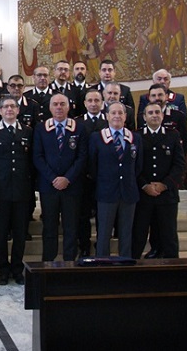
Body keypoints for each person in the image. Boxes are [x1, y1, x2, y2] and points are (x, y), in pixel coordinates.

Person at [0, 96, 34, 285]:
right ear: (0, 111)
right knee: (1, 232)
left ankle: (17, 268)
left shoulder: (28, 131)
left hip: (22, 190)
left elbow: (31, 162)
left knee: (20, 233)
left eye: (13, 106)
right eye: (5, 107)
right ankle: (3, 269)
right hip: (0, 190)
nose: (9, 109)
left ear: (18, 110)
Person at [33, 93, 88, 261]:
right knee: (49, 227)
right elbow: (37, 157)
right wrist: (53, 178)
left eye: (62, 104)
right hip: (49, 186)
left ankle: (69, 263)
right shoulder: (41, 128)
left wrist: (67, 178)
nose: (58, 107)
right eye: (55, 104)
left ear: (68, 106)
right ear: (50, 107)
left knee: (71, 227)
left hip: (72, 186)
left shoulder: (79, 128)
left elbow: (82, 157)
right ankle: (48, 262)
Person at [89, 101, 143, 258]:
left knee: (126, 233)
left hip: (128, 192)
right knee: (104, 233)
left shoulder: (135, 138)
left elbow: (138, 166)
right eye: (113, 113)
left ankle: (124, 265)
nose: (117, 116)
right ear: (107, 116)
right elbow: (92, 166)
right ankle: (102, 266)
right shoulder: (97, 137)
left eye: (120, 113)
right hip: (106, 193)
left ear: (126, 116)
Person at [132, 102, 185, 259]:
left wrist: (164, 184)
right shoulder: (136, 136)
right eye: (150, 113)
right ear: (144, 117)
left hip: (167, 195)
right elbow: (133, 165)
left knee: (168, 235)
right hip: (143, 195)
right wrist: (144, 185)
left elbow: (179, 164)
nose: (154, 115)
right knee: (139, 234)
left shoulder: (173, 135)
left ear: (162, 115)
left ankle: (173, 270)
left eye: (157, 112)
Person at [77, 89, 107, 257]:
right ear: (85, 103)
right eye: (90, 100)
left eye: (97, 100)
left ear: (102, 103)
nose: (94, 104)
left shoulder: (109, 120)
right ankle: (84, 244)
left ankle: (101, 244)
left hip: (104, 177)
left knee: (103, 214)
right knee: (83, 215)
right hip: (83, 177)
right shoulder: (78, 123)